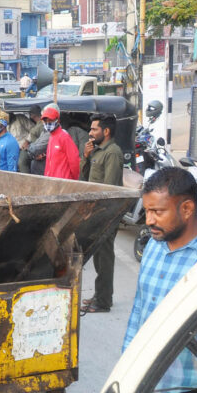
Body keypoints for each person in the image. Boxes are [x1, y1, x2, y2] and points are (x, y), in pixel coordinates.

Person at [124, 168, 197, 350]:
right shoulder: (154, 244)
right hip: (147, 374)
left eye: (157, 212)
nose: (149, 221)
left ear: (187, 209)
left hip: (190, 377)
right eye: (147, 211)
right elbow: (139, 307)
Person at [81, 114, 125, 315]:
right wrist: (86, 158)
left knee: (104, 257)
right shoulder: (97, 151)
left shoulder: (113, 153)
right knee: (98, 257)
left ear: (106, 132)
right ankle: (100, 294)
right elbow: (85, 179)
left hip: (105, 213)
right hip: (95, 211)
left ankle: (104, 300)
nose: (90, 133)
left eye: (94, 129)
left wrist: (103, 216)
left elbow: (110, 188)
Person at [39, 105, 80, 180]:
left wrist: (73, 181)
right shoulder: (51, 137)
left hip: (63, 182)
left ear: (57, 120)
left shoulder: (64, 137)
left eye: (50, 120)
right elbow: (49, 163)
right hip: (52, 182)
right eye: (45, 121)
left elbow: (74, 162)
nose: (47, 123)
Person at [19, 105, 45, 173]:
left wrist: (28, 147)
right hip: (36, 151)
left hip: (38, 153)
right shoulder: (38, 125)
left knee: (22, 162)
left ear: (32, 115)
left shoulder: (41, 126)